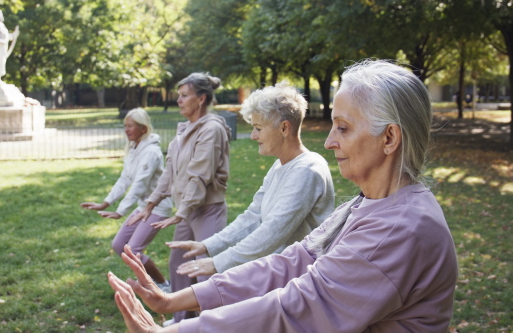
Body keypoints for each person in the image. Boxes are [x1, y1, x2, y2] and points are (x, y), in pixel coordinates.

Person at [106, 59, 458, 332]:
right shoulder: (368, 203)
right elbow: (292, 260)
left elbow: (299, 305)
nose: (331, 140)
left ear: (389, 139)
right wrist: (176, 300)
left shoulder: (399, 228)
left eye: (344, 128)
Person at [166, 82, 335, 278]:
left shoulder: (307, 169)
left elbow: (273, 231)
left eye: (258, 128)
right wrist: (207, 245)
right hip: (279, 272)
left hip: (302, 279)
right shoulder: (281, 165)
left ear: (284, 128)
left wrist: (218, 262)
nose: (253, 136)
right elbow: (253, 216)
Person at [127, 73, 231, 325]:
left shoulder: (212, 129)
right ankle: (183, 318)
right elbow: (168, 175)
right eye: (179, 95)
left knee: (204, 270)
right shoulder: (183, 130)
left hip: (207, 210)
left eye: (184, 95)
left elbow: (200, 176)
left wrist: (180, 213)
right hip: (187, 212)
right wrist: (150, 205)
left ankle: (213, 322)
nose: (178, 100)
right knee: (178, 264)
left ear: (201, 99)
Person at [80, 108, 173, 290]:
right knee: (119, 245)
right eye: (125, 125)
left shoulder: (151, 152)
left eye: (130, 126)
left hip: (158, 207)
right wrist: (105, 203)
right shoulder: (134, 148)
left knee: (133, 250)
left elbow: (139, 184)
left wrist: (120, 211)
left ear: (143, 129)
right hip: (143, 206)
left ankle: (163, 284)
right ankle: (154, 283)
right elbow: (125, 179)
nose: (126, 129)